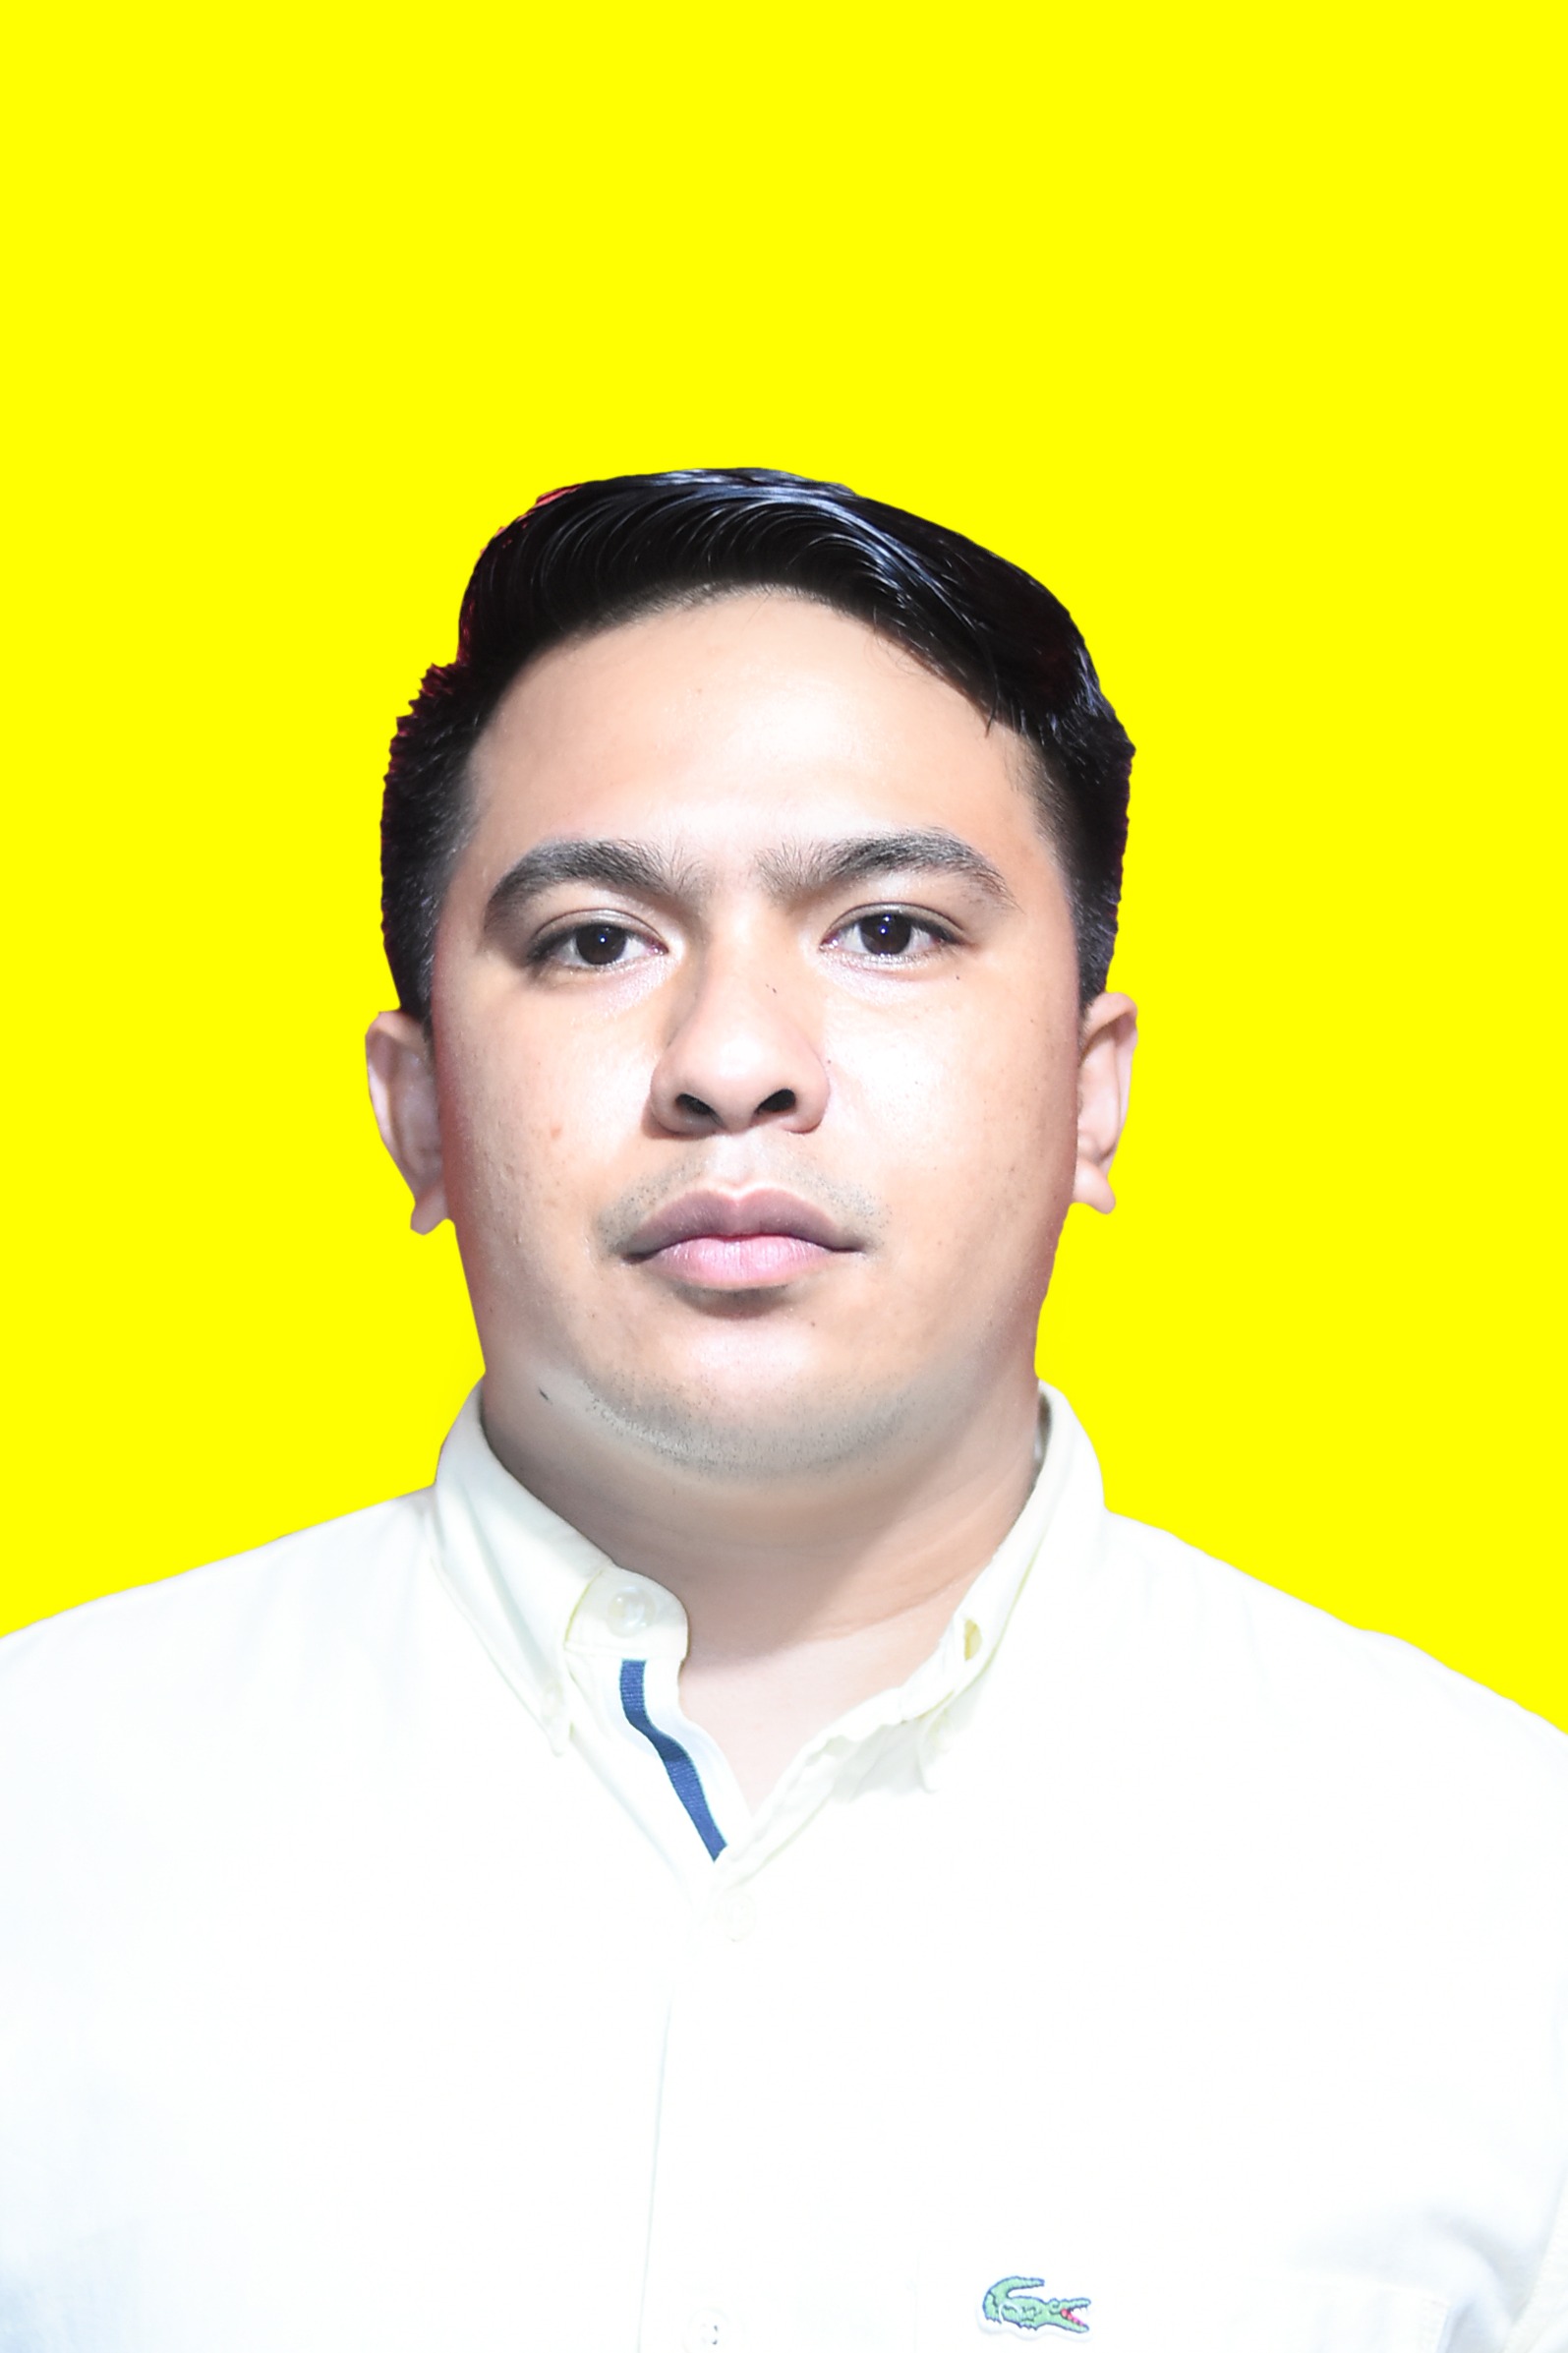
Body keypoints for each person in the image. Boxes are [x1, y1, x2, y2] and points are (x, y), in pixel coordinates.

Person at [1, 470, 1564, 2353]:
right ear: (417, 1107)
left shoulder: (1499, 1889)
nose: (735, 1061)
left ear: (1093, 1089)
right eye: (596, 938)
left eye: (888, 928)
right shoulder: (44, 1825)